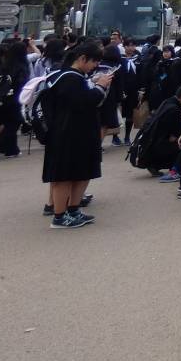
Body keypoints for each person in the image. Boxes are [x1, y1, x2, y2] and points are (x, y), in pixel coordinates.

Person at [42, 41, 115, 228]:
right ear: (82, 58)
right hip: (68, 134)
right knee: (65, 175)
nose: (95, 66)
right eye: (94, 62)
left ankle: (73, 210)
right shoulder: (70, 78)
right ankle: (59, 216)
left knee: (80, 172)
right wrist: (100, 87)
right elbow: (84, 103)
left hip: (75, 134)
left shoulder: (66, 75)